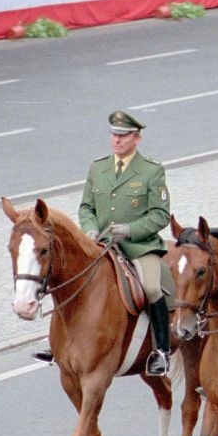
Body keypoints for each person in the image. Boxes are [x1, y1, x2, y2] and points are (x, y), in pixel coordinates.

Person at [57, 111, 173, 373]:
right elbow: (86, 207)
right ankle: (57, 342)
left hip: (138, 247)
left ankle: (162, 350)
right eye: (114, 135)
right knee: (67, 279)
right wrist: (88, 230)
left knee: (152, 288)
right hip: (99, 245)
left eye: (123, 136)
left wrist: (130, 230)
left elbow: (160, 215)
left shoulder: (151, 171)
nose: (117, 140)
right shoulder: (98, 168)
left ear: (137, 138)